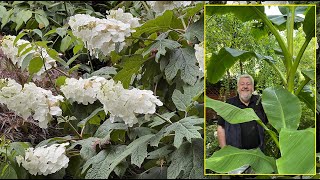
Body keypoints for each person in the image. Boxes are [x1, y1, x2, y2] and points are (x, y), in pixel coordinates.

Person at [217, 74, 268, 150]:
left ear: (253, 88)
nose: (245, 87)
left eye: (248, 84)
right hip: (236, 153)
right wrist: (224, 149)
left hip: (257, 153)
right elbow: (221, 127)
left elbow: (268, 122)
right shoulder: (229, 104)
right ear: (238, 88)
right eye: (242, 84)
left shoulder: (260, 103)